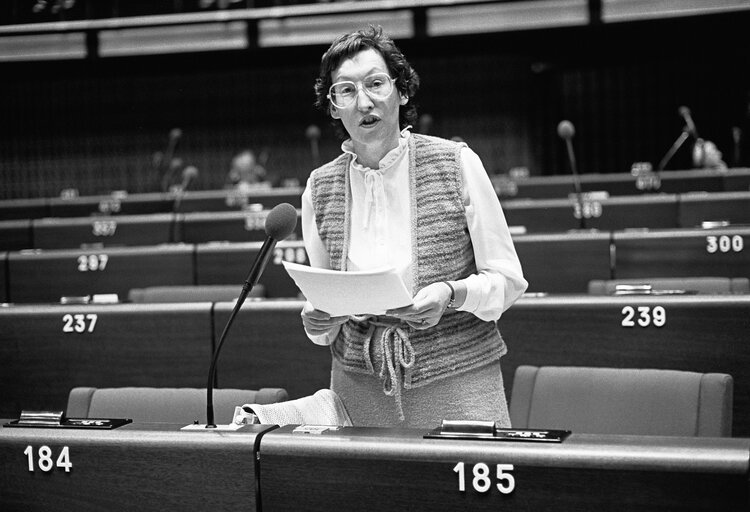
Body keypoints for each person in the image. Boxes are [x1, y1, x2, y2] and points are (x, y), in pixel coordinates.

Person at [299, 25, 528, 428]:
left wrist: (451, 294)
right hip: (357, 384)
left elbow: (508, 280)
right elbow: (325, 305)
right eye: (346, 90)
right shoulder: (319, 187)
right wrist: (318, 320)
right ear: (333, 106)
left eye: (376, 84)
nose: (364, 101)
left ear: (401, 92)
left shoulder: (456, 162)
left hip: (457, 377)